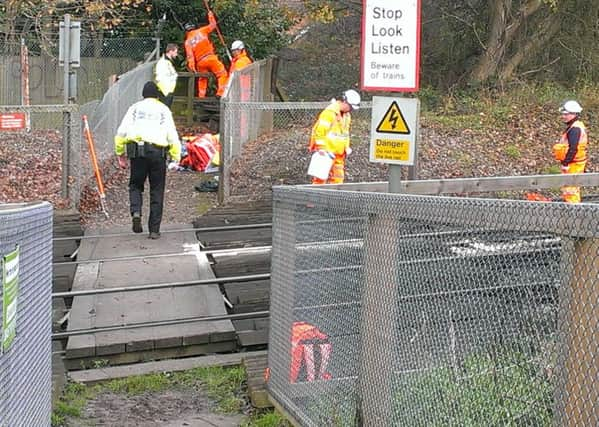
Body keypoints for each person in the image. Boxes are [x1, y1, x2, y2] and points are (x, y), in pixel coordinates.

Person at [114, 81, 181, 239]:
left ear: (143, 95)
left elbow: (121, 132)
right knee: (157, 190)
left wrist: (120, 154)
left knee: (136, 185)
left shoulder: (134, 108)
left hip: (138, 153)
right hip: (158, 154)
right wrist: (176, 157)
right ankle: (154, 230)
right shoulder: (164, 110)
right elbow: (172, 135)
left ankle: (136, 212)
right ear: (157, 95)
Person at [308, 89, 361, 184]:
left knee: (338, 180)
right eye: (351, 107)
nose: (351, 110)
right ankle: (316, 199)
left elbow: (345, 133)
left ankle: (335, 198)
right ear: (345, 102)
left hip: (339, 154)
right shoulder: (330, 113)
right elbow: (320, 132)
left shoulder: (346, 115)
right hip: (325, 153)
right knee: (320, 179)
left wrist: (346, 147)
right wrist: (321, 148)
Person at [183, 12, 228, 98]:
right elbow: (213, 25)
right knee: (222, 74)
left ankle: (201, 97)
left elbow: (190, 57)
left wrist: (193, 68)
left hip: (200, 62)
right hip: (210, 58)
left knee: (202, 79)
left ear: (186, 31)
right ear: (194, 27)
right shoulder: (201, 31)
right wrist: (210, 15)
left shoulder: (187, 42)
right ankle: (220, 93)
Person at [552, 100, 588, 203]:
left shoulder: (575, 129)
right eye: (563, 114)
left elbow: (573, 148)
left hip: (573, 164)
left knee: (570, 190)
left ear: (574, 114)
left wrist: (566, 163)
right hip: (576, 163)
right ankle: (572, 211)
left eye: (566, 114)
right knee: (571, 189)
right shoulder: (576, 126)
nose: (563, 116)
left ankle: (573, 212)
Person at [154, 43, 179, 108]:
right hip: (165, 91)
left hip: (167, 90)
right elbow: (162, 77)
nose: (176, 54)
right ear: (171, 51)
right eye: (175, 52)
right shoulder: (164, 62)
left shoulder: (167, 62)